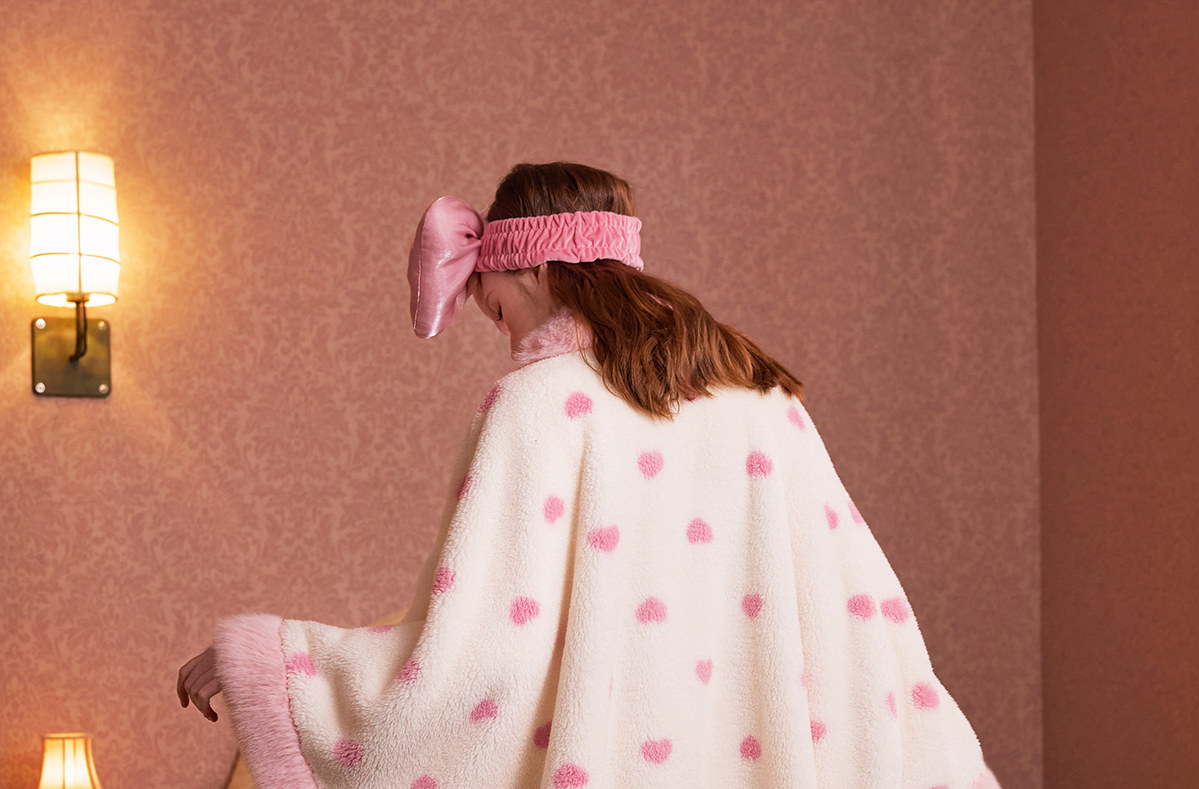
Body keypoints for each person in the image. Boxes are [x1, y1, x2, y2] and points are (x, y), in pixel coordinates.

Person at [178, 162, 1001, 788]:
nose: (498, 329)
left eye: (494, 303)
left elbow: (478, 652)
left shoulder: (534, 406)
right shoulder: (764, 399)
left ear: (533, 268)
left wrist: (270, 665)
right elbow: (856, 620)